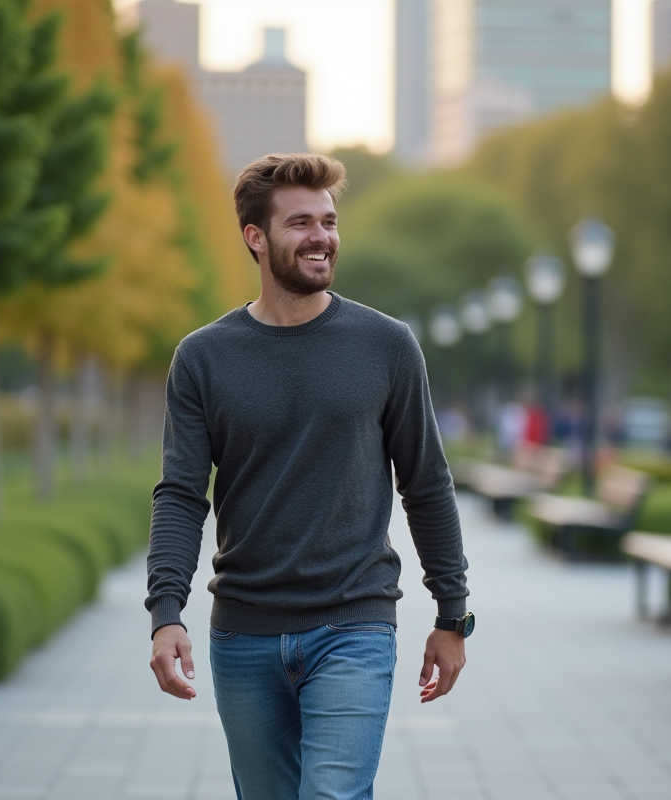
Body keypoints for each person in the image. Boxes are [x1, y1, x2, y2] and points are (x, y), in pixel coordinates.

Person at [145, 153, 472, 800]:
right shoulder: (203, 358)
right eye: (301, 222)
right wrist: (165, 612)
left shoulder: (386, 345)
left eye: (328, 220)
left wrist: (452, 614)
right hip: (243, 634)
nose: (322, 236)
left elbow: (426, 483)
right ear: (255, 237)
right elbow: (181, 495)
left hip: (354, 625)